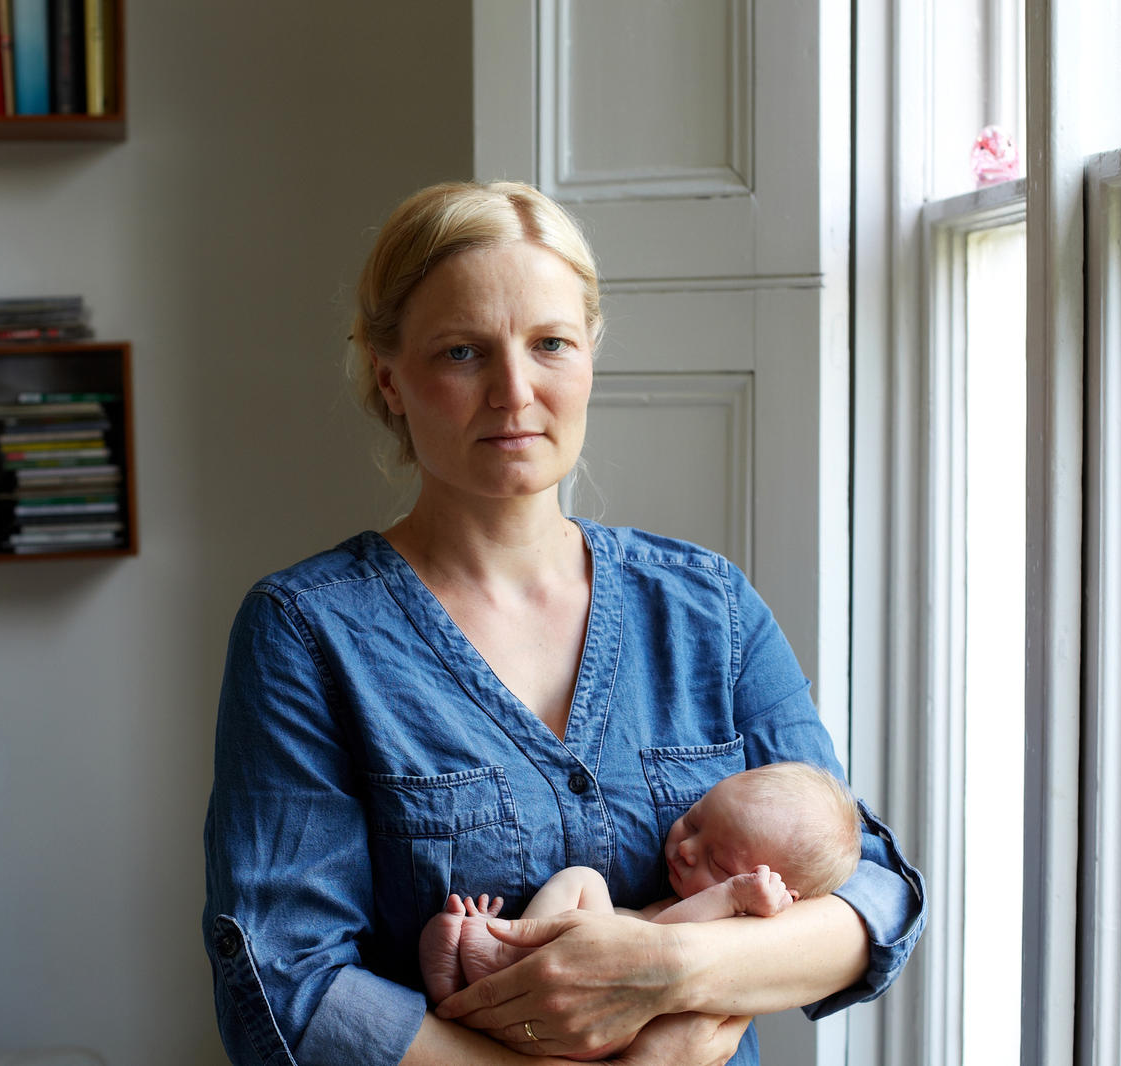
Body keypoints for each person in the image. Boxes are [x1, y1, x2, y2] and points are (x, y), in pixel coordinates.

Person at [202, 179, 925, 1066]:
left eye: (550, 344)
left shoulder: (709, 607)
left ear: (589, 355)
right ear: (389, 378)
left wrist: (664, 970)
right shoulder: (306, 633)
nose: (514, 392)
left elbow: (867, 895)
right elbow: (288, 985)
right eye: (462, 352)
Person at [418, 761, 864, 1015]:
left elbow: (661, 945)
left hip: (617, 1011)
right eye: (694, 819)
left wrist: (732, 897)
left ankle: (505, 955)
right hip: (587, 993)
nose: (686, 847)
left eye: (718, 863)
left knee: (583, 880)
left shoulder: (739, 925)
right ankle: (458, 991)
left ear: (779, 895)